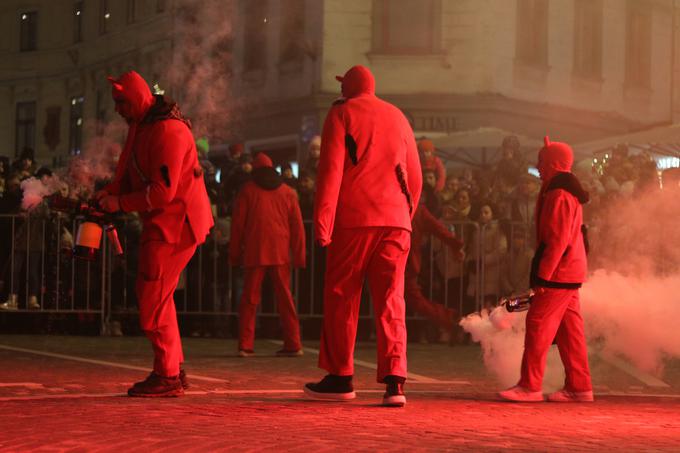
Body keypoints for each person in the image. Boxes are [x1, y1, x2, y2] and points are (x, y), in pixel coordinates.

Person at [303, 65, 422, 407]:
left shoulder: (342, 114)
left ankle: (341, 376)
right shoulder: (398, 116)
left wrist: (323, 223)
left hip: (356, 219)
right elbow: (415, 176)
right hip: (396, 220)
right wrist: (405, 215)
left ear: (348, 88)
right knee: (390, 299)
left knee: (342, 296)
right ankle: (395, 381)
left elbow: (331, 171)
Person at [96, 70, 214, 397]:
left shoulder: (166, 130)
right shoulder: (144, 124)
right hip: (166, 223)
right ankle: (172, 367)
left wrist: (117, 202)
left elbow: (163, 191)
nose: (117, 108)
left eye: (121, 101)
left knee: (152, 296)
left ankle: (168, 375)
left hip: (175, 225)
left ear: (135, 98)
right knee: (158, 295)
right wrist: (108, 194)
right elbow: (126, 172)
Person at [499, 136, 592, 403]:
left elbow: (556, 240)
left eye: (541, 161)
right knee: (569, 332)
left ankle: (530, 386)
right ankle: (579, 385)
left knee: (538, 324)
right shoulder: (563, 191)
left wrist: (543, 275)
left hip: (560, 273)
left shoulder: (559, 194)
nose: (537, 166)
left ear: (552, 163)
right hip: (569, 272)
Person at [229, 152, 306, 357]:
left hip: (255, 251)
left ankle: (246, 344)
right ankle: (293, 343)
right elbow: (298, 227)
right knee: (286, 299)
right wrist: (299, 255)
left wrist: (234, 255)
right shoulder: (288, 192)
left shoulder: (247, 190)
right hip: (280, 252)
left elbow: (238, 226)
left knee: (250, 299)